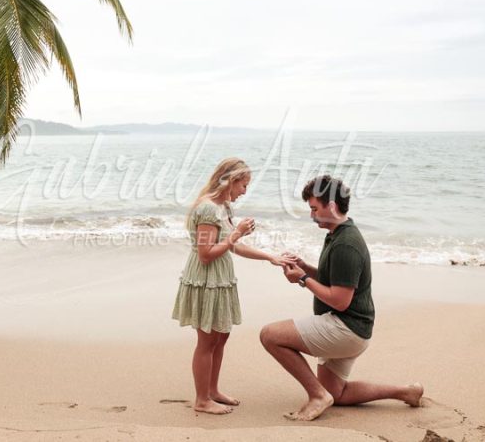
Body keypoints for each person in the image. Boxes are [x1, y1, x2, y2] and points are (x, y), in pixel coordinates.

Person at [260, 175, 423, 420]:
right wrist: (305, 268)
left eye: (315, 209)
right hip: (354, 327)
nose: (312, 215)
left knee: (270, 335)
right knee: (337, 394)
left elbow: (339, 300)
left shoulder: (346, 244)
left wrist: (303, 280)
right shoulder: (338, 234)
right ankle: (406, 392)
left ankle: (317, 395)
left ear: (332, 206)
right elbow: (333, 281)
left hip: (346, 327)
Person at [172, 157, 294, 415]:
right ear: (230, 181)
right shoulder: (207, 209)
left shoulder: (223, 207)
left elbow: (233, 246)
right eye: (244, 185)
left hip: (220, 276)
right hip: (206, 277)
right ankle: (201, 400)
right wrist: (236, 234)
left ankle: (212, 390)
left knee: (221, 335)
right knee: (207, 339)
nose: (245, 191)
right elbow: (205, 253)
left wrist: (269, 257)